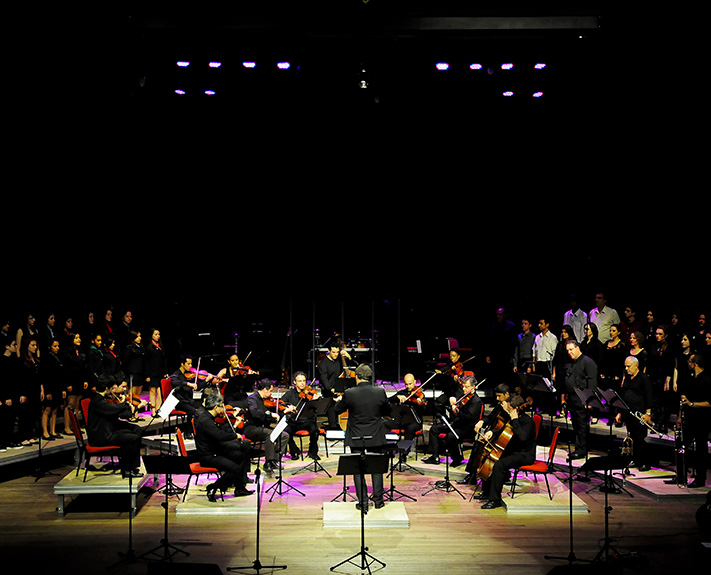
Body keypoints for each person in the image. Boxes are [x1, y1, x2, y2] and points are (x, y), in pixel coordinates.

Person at [333, 363, 391, 512]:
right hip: (375, 436)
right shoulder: (380, 392)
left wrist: (339, 401)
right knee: (376, 468)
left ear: (357, 377)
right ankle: (378, 501)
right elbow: (387, 410)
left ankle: (363, 502)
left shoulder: (350, 393)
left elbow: (337, 410)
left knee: (358, 469)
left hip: (356, 436)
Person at [474, 394, 537, 509]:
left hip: (525, 454)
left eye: (509, 408)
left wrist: (515, 420)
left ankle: (495, 500)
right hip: (514, 451)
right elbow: (503, 431)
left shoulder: (527, 421)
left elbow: (522, 438)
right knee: (491, 458)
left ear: (516, 409)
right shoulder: (512, 419)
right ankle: (487, 493)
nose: (507, 410)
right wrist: (492, 432)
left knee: (499, 465)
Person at [193, 390, 254, 500]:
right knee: (235, 468)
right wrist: (236, 436)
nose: (223, 409)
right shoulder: (205, 420)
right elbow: (219, 436)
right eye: (222, 407)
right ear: (216, 407)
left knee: (240, 456)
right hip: (208, 456)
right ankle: (214, 487)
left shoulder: (209, 418)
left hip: (216, 451)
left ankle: (239, 488)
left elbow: (220, 433)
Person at [87, 373, 147, 478]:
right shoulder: (97, 401)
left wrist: (132, 408)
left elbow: (119, 413)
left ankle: (132, 466)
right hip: (101, 436)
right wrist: (125, 404)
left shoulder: (102, 399)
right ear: (106, 388)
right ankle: (127, 469)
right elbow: (112, 409)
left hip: (107, 429)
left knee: (135, 430)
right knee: (132, 438)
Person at [422, 374, 482, 467]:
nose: (464, 389)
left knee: (451, 436)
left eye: (466, 387)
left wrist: (457, 411)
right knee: (434, 429)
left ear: (473, 387)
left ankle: (457, 458)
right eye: (463, 386)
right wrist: (452, 406)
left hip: (468, 428)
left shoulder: (476, 401)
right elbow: (457, 411)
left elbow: (467, 417)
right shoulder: (464, 396)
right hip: (458, 424)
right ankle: (435, 457)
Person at [459, 383, 511, 484]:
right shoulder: (500, 405)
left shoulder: (512, 406)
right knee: (478, 444)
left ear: (507, 394)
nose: (497, 398)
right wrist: (482, 421)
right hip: (496, 435)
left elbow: (508, 427)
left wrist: (493, 431)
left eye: (499, 396)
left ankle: (492, 475)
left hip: (505, 439)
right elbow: (490, 417)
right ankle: (473, 474)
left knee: (480, 446)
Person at [561, 340, 598, 459]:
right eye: (568, 350)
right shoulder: (570, 362)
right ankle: (578, 447)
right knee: (576, 424)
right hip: (571, 398)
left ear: (578, 348)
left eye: (571, 349)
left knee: (582, 425)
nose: (569, 352)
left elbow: (592, 383)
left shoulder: (588, 362)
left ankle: (581, 449)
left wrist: (589, 400)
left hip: (582, 399)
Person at [616, 356, 654, 471]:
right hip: (629, 412)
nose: (626, 369)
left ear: (636, 365)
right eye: (625, 366)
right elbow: (623, 396)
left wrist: (648, 413)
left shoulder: (643, 378)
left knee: (640, 438)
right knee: (632, 437)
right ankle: (636, 460)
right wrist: (620, 413)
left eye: (628, 366)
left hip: (640, 413)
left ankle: (645, 462)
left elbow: (649, 396)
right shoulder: (627, 378)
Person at [245, 378, 290, 474]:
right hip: (252, 428)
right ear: (264, 389)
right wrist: (270, 414)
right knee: (270, 434)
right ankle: (268, 462)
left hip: (264, 427)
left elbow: (274, 413)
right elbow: (255, 413)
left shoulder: (267, 400)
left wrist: (284, 411)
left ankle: (274, 460)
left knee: (284, 435)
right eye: (270, 391)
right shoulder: (252, 398)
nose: (271, 394)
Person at [679, 354, 711, 488]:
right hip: (690, 418)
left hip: (702, 420)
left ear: (695, 364)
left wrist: (691, 404)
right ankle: (680, 477)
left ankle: (700, 478)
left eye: (690, 362)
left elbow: (710, 403)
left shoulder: (707, 380)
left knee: (701, 451)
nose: (688, 364)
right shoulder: (693, 379)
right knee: (682, 447)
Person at [281, 371, 322, 460]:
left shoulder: (309, 393)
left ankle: (313, 452)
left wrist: (316, 400)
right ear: (294, 382)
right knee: (286, 431)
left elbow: (317, 407)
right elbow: (281, 403)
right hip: (294, 422)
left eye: (304, 381)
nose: (302, 383)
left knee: (315, 430)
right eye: (300, 381)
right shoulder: (289, 394)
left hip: (307, 421)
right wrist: (287, 407)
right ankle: (294, 451)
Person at [386, 372, 426, 462]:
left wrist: (421, 404)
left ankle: (403, 454)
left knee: (410, 428)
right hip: (402, 421)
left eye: (410, 384)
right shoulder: (402, 393)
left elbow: (424, 409)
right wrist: (397, 397)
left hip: (415, 422)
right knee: (385, 425)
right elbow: (387, 400)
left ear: (415, 382)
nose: (408, 386)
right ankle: (388, 450)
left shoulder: (419, 394)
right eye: (406, 384)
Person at [318, 343, 353, 430]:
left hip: (340, 387)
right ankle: (333, 426)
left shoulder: (339, 360)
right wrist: (332, 390)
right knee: (331, 404)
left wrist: (348, 357)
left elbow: (350, 367)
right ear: (329, 351)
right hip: (329, 390)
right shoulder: (323, 364)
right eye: (333, 352)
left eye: (337, 352)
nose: (336, 354)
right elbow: (324, 380)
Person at [144, 328, 167, 416]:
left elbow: (164, 359)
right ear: (151, 335)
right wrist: (147, 374)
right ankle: (153, 411)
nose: (158, 336)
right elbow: (146, 361)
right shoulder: (149, 347)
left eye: (159, 334)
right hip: (151, 373)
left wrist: (165, 371)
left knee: (160, 392)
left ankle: (158, 409)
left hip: (159, 372)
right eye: (156, 334)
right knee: (152, 391)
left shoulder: (160, 346)